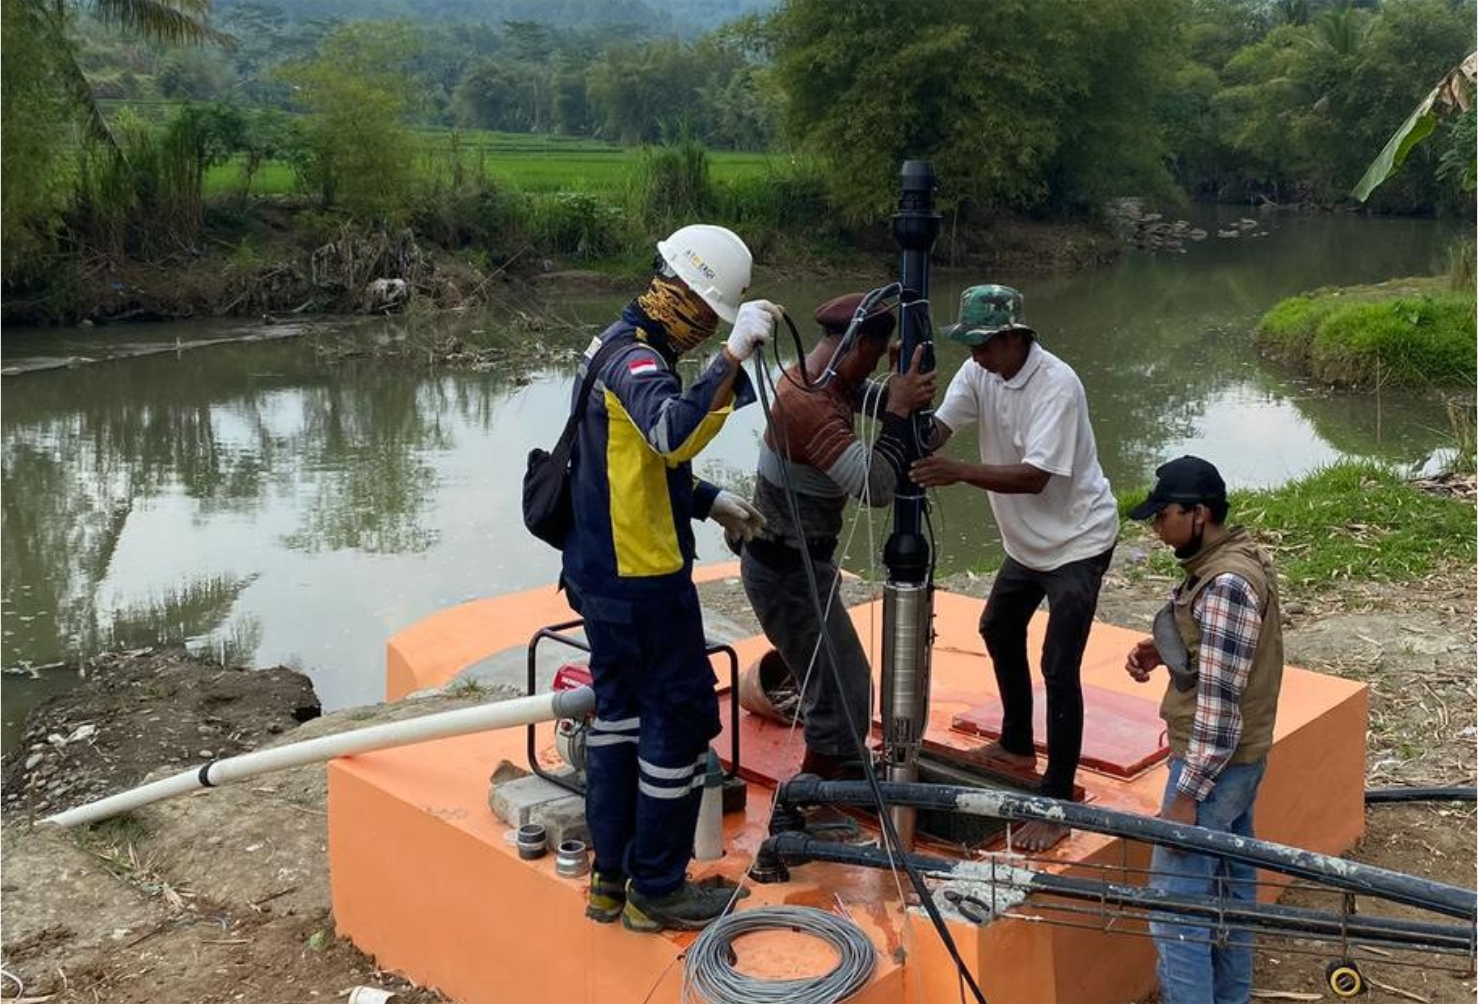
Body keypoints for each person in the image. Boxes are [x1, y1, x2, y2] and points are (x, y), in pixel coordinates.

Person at [561, 224, 781, 933]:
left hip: (598, 574)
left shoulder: (611, 346)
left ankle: (611, 881)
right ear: (683, 295)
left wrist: (704, 499)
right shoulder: (640, 365)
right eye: (707, 316)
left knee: (618, 722)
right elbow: (671, 433)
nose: (700, 331)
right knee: (680, 723)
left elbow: (625, 464)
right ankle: (657, 887)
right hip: (643, 582)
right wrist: (735, 353)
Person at [911, 284, 1118, 851]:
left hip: (1079, 539)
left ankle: (1056, 801)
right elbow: (940, 428)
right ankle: (1018, 741)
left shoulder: (1057, 384)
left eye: (982, 346)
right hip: (1027, 544)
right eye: (969, 347)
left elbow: (1035, 476)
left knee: (1058, 664)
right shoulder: (982, 374)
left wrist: (956, 470)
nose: (973, 357)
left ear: (1012, 337)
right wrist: (901, 411)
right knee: (998, 627)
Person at [738, 292, 936, 781]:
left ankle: (838, 780)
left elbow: (887, 408)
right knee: (843, 690)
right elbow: (876, 487)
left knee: (840, 682)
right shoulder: (808, 402)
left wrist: (896, 390)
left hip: (799, 563)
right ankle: (812, 803)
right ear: (856, 344)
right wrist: (895, 410)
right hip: (785, 569)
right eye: (871, 356)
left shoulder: (827, 380)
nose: (870, 369)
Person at [1124, 456, 1284, 1004]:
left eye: (1162, 515)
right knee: (1229, 891)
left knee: (1175, 907)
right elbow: (1225, 656)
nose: (1155, 527)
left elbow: (1219, 709)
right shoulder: (1228, 563)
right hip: (1239, 764)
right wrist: (1170, 649)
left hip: (1214, 765)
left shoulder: (1227, 586)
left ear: (1200, 514)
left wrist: (1187, 796)